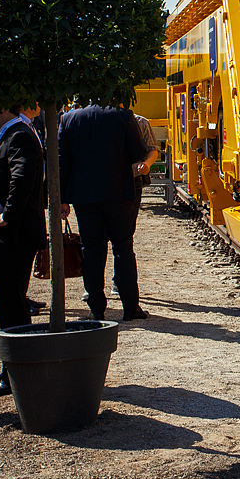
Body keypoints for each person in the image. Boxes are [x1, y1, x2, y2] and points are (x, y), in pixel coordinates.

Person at [0, 106, 46, 397]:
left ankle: (16, 372)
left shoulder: (18, 135)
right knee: (10, 303)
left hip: (11, 234)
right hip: (7, 232)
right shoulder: (11, 132)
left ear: (2, 108)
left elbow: (23, 176)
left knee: (11, 304)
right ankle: (12, 367)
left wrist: (8, 215)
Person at [58, 104, 151, 321]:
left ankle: (97, 308)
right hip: (119, 192)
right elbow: (137, 153)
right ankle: (130, 307)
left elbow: (63, 161)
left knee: (91, 250)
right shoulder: (123, 116)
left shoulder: (69, 118)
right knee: (123, 248)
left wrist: (62, 199)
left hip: (84, 195)